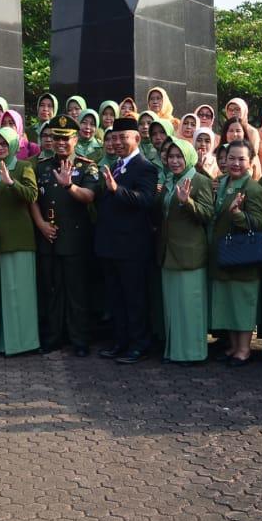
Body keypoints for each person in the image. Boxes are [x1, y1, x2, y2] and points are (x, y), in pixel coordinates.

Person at [31, 115, 100, 356]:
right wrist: (40, 224)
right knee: (52, 290)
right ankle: (53, 337)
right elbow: (34, 199)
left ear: (76, 138)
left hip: (75, 240)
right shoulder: (42, 166)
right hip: (49, 238)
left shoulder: (86, 166)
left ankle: (79, 340)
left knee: (77, 292)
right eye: (56, 138)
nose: (61, 143)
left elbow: (90, 197)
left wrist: (69, 185)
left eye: (66, 139)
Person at [94, 117, 159, 363]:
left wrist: (116, 190)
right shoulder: (115, 165)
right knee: (115, 298)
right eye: (115, 138)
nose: (118, 142)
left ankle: (139, 345)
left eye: (124, 137)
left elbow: (146, 200)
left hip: (132, 247)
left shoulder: (146, 167)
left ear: (137, 139)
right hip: (109, 245)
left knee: (134, 298)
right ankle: (120, 342)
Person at [208, 139, 262, 365]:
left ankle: (244, 349)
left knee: (242, 303)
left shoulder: (254, 189)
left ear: (251, 162)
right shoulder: (221, 182)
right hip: (223, 254)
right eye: (231, 158)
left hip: (244, 255)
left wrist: (238, 215)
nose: (235, 163)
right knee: (228, 302)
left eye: (241, 159)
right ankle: (233, 346)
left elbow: (260, 223)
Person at [157, 137, 213, 364]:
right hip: (168, 252)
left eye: (179, 156)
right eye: (171, 156)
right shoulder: (169, 181)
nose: (174, 161)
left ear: (189, 157)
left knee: (190, 306)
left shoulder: (199, 181)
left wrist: (187, 202)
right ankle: (175, 351)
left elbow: (208, 214)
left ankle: (192, 353)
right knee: (173, 307)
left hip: (190, 254)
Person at [0, 127, 40, 356]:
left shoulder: (24, 166)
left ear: (14, 145)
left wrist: (11, 183)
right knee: (1, 295)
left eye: (4, 144)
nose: (0, 148)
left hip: (19, 241)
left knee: (21, 294)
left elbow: (32, 195)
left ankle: (25, 342)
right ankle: (4, 342)